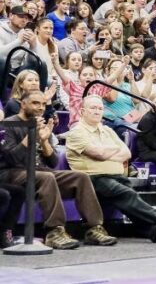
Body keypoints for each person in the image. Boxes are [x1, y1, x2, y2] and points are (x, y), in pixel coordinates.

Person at [65, 96, 156, 242]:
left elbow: (126, 153)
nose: (97, 111)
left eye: (100, 108)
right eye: (93, 108)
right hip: (92, 178)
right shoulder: (77, 132)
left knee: (130, 198)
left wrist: (106, 152)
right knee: (127, 194)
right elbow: (99, 154)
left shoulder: (107, 130)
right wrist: (112, 151)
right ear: (82, 111)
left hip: (115, 176)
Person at [0, 90, 117, 249]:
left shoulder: (41, 125)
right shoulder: (9, 124)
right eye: (35, 103)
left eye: (43, 104)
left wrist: (44, 141)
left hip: (38, 171)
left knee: (80, 177)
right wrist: (31, 135)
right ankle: (54, 232)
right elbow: (11, 159)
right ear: (23, 104)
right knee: (46, 177)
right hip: (10, 173)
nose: (41, 108)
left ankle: (94, 229)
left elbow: (53, 162)